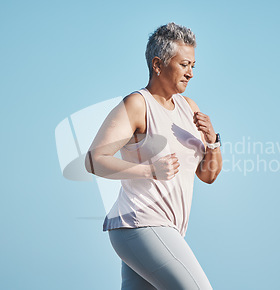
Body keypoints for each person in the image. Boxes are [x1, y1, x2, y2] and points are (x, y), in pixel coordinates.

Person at [85, 22, 222, 290]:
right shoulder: (138, 104)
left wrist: (213, 142)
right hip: (141, 223)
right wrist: (150, 170)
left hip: (168, 230)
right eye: (184, 65)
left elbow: (208, 175)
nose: (191, 73)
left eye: (193, 65)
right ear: (158, 65)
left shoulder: (189, 108)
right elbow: (93, 159)